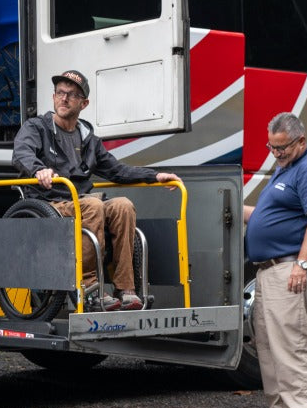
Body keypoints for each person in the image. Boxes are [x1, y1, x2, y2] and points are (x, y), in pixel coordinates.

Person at [12, 70, 182, 311]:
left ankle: (126, 289)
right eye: (60, 93)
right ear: (53, 97)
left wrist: (154, 175)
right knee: (93, 205)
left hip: (78, 202)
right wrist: (39, 170)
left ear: (84, 103)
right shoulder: (37, 127)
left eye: (72, 94)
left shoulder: (89, 140)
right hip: (48, 203)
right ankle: (89, 287)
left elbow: (118, 170)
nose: (64, 98)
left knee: (122, 205)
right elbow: (21, 153)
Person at [243, 112, 307, 408]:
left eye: (281, 148)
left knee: (295, 347)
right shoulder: (286, 169)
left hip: (292, 270)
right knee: (268, 347)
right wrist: (235, 207)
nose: (276, 153)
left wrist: (303, 264)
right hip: (270, 271)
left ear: (300, 141)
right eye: (272, 147)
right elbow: (271, 215)